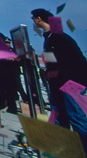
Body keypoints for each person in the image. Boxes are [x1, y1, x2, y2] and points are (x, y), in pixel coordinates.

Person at [31, 8, 87, 149]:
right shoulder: (51, 37)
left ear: (39, 19)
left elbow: (63, 63)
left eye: (33, 19)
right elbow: (52, 63)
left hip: (71, 81)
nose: (33, 22)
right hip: (63, 82)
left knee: (76, 116)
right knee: (60, 115)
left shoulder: (57, 37)